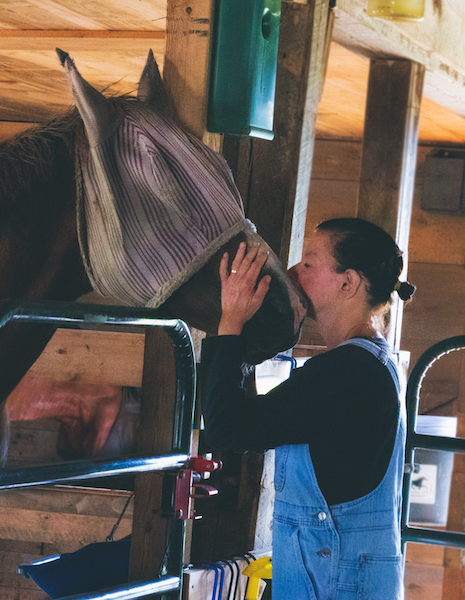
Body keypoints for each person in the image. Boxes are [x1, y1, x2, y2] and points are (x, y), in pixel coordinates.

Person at [200, 218, 416, 600]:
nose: (293, 272)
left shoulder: (347, 372)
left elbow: (227, 427)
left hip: (335, 583)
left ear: (347, 282)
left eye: (310, 263)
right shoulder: (370, 363)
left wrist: (231, 321)